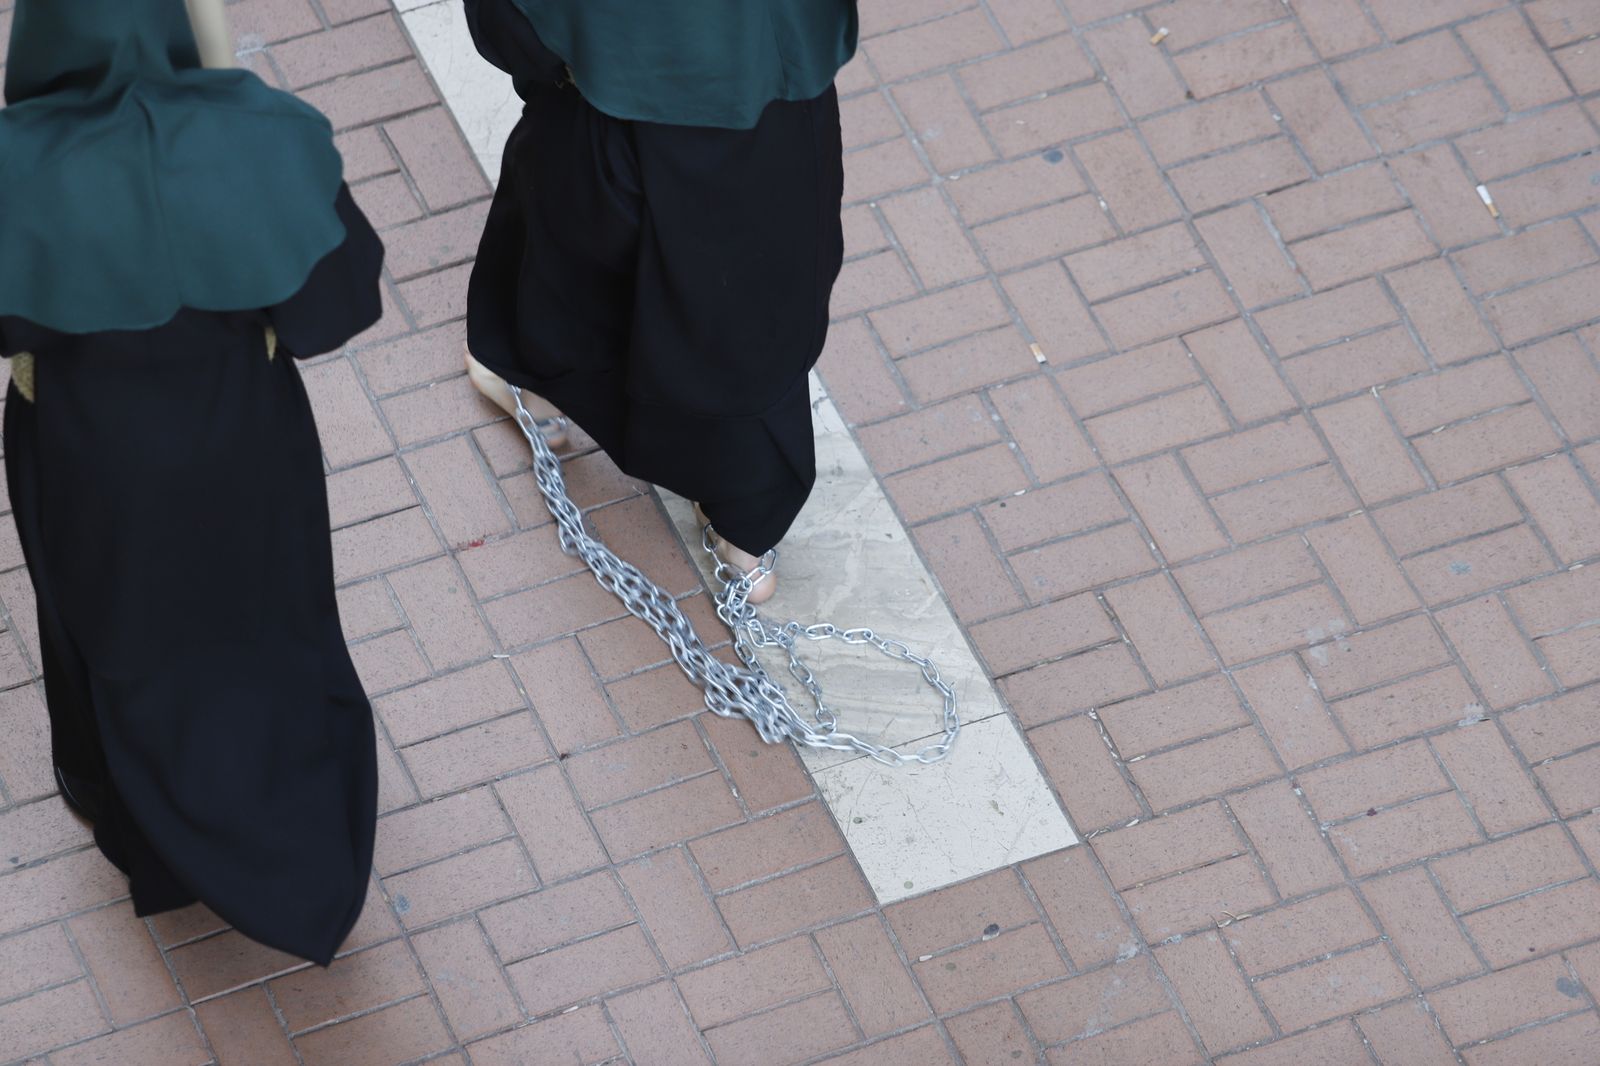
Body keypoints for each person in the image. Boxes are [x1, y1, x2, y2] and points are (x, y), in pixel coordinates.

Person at [0, 0, 384, 966]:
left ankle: (151, 834)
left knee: (116, 636)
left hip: (93, 454)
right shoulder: (261, 133)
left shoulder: (16, 166)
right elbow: (338, 301)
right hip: (243, 435)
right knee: (271, 615)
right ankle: (299, 850)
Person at [461, 0, 855, 603]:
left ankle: (534, 379)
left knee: (580, 235)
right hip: (762, 73)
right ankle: (742, 519)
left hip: (621, 71)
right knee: (760, 284)